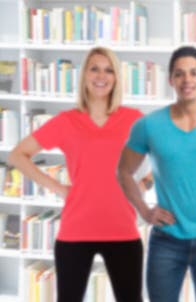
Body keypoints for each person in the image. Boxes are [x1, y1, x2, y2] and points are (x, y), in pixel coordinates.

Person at [8, 47, 144, 301]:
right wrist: (58, 188)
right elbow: (17, 155)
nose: (101, 76)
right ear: (84, 76)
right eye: (94, 68)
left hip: (122, 229)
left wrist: (144, 184)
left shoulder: (133, 120)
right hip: (76, 229)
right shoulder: (66, 121)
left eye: (108, 69)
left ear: (116, 77)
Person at [117, 46, 196, 302]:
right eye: (180, 73)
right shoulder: (148, 125)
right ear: (171, 79)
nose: (187, 80)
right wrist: (143, 210)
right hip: (166, 241)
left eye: (194, 73)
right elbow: (124, 171)